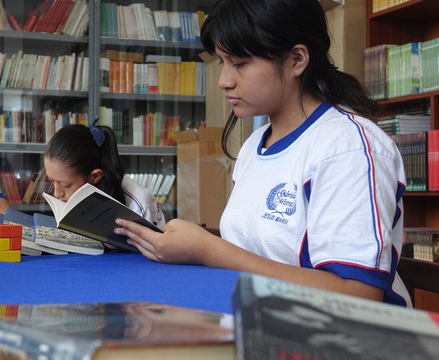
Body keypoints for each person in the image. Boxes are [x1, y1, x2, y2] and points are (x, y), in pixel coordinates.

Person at [113, 0, 412, 307]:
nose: (224, 81)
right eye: (222, 63)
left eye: (239, 64)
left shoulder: (347, 148)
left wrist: (208, 249)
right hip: (261, 316)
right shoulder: (255, 144)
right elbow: (247, 256)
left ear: (297, 59)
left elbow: (357, 294)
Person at [43, 120, 166, 231]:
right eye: (51, 181)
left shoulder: (140, 203)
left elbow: (151, 250)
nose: (56, 193)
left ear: (95, 176)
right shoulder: (71, 192)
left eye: (65, 184)